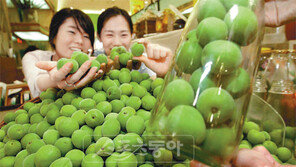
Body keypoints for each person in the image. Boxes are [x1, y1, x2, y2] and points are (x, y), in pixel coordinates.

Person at [22, 8, 100, 98]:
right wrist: (56, 81)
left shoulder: (92, 67)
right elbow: (36, 82)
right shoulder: (34, 57)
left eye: (86, 36)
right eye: (72, 32)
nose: (80, 41)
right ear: (54, 36)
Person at [96, 7, 172, 78]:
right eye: (110, 35)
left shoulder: (143, 62)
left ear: (132, 36)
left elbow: (156, 83)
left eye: (123, 35)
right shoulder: (94, 64)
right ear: (99, 36)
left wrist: (163, 74)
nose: (117, 43)